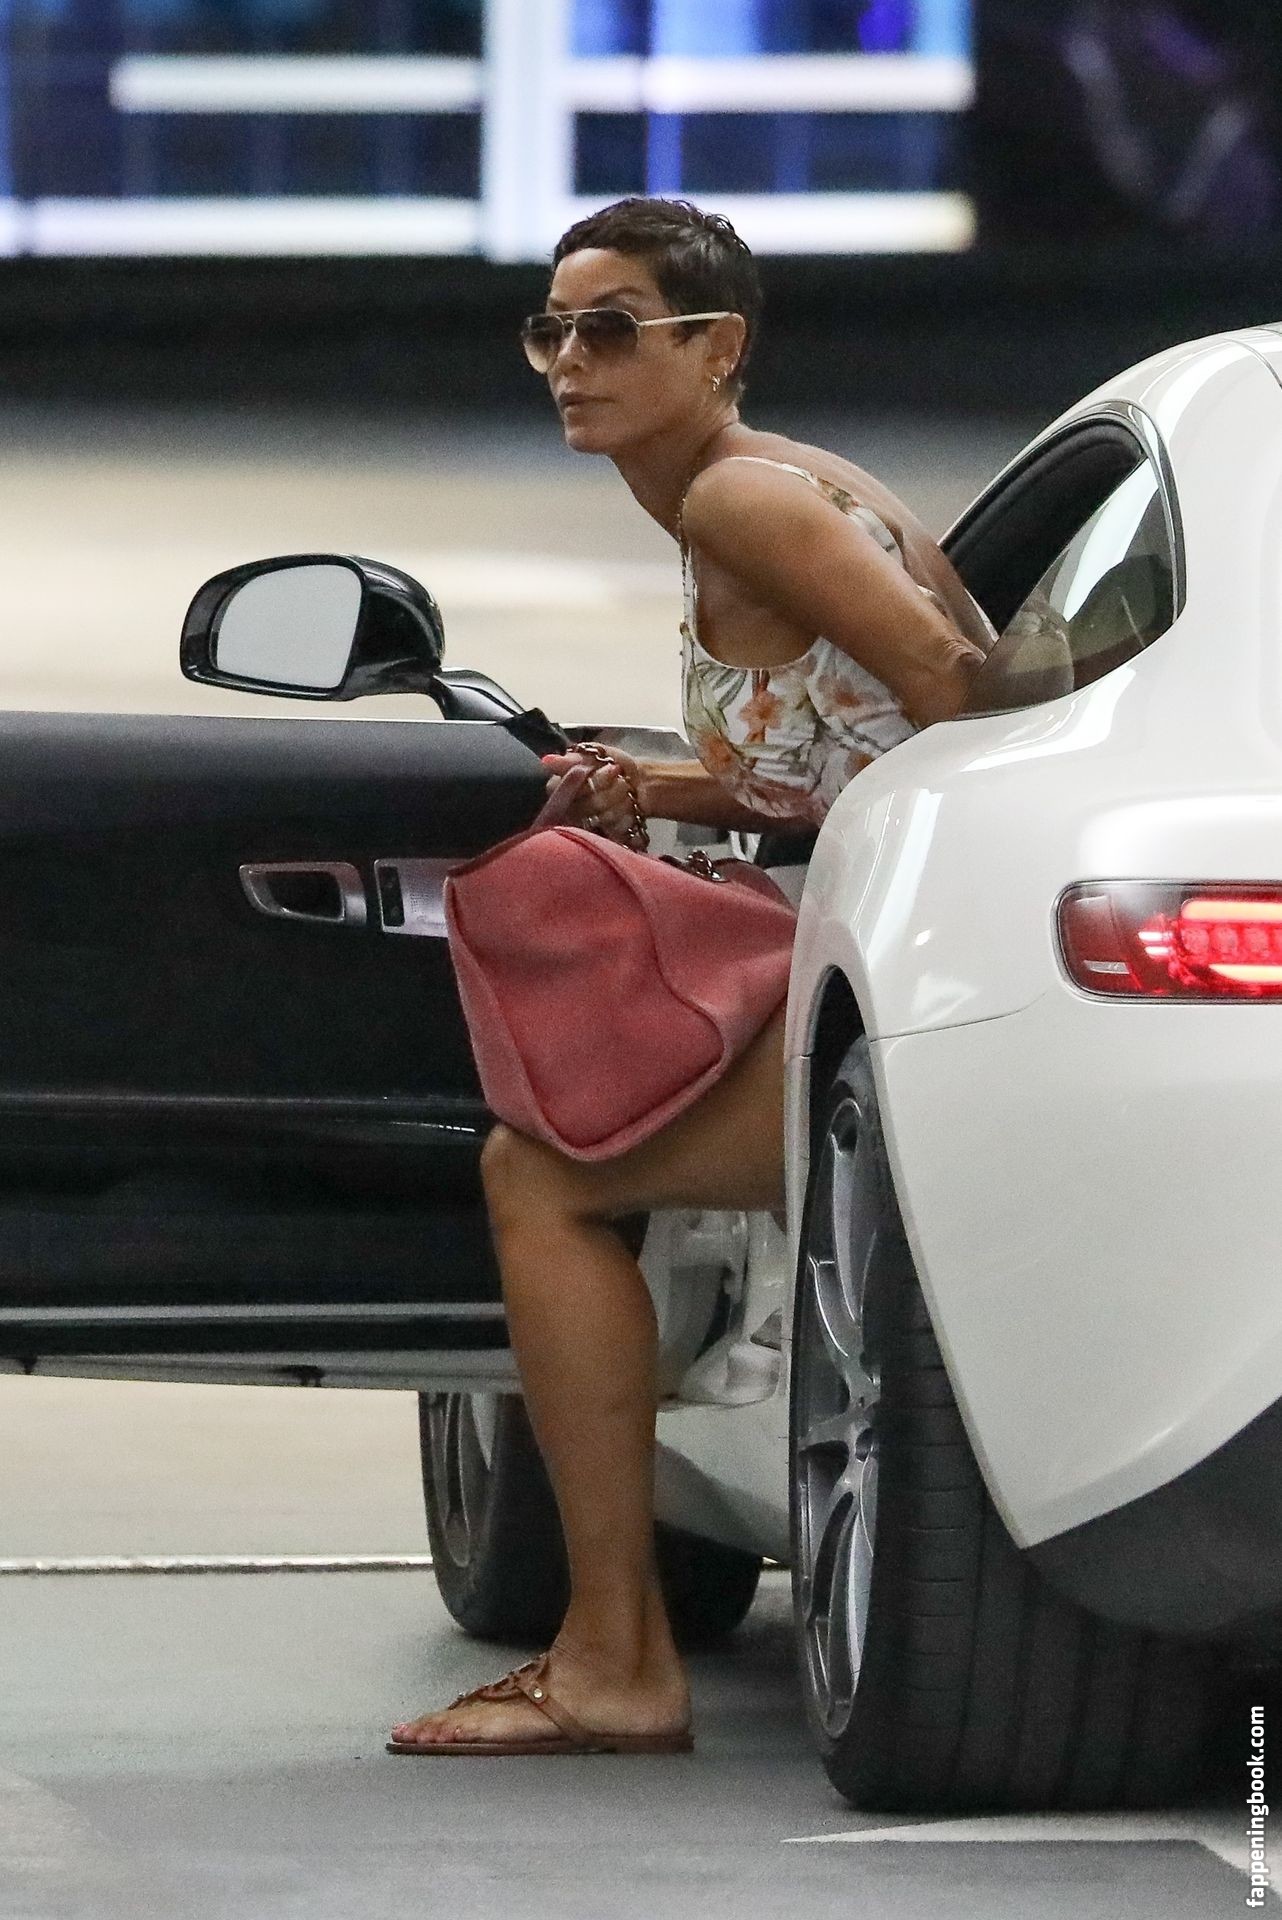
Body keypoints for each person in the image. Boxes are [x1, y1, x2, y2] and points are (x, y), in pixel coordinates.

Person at [388, 195, 990, 1757]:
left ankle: (613, 1659)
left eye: (611, 330)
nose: (567, 362)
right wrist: (657, 787)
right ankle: (613, 1641)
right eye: (549, 330)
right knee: (556, 1160)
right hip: (899, 954)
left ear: (715, 346)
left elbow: (964, 703)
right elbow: (855, 731)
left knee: (542, 1177)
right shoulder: (770, 481)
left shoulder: (741, 502)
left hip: (911, 973)